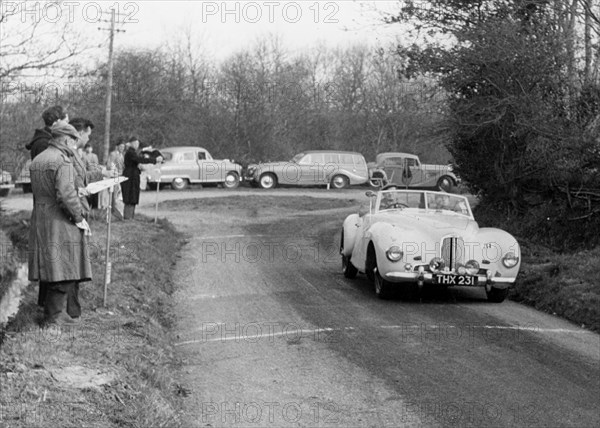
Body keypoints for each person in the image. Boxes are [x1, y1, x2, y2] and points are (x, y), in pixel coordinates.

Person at [28, 122, 93, 325]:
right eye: (73, 140)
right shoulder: (62, 161)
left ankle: (56, 314)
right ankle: (52, 318)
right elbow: (65, 194)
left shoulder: (39, 159)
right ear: (66, 139)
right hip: (59, 220)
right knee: (64, 267)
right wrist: (79, 218)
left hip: (40, 217)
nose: (75, 144)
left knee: (52, 266)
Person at [121, 136, 162, 220]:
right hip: (130, 177)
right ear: (131, 143)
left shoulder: (133, 152)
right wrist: (154, 160)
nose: (137, 145)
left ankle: (130, 216)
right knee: (130, 197)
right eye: (135, 143)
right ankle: (128, 217)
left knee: (133, 197)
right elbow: (140, 159)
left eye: (138, 143)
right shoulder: (130, 153)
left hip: (133, 176)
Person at [106, 139, 126, 220]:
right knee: (114, 196)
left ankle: (118, 214)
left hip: (120, 176)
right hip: (114, 177)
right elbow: (109, 165)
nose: (122, 148)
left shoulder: (122, 155)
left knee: (118, 195)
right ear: (117, 146)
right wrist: (114, 172)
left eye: (123, 147)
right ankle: (112, 213)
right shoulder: (113, 154)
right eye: (121, 146)